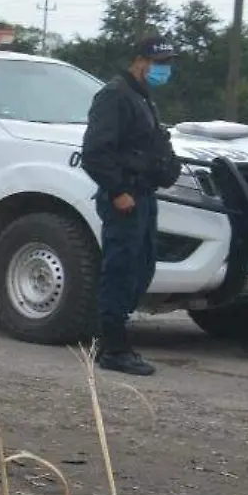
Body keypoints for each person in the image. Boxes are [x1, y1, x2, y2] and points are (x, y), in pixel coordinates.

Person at [78, 36, 181, 377]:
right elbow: (95, 152)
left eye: (169, 62)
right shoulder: (115, 95)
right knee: (121, 270)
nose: (165, 69)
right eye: (160, 62)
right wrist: (119, 191)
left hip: (143, 195)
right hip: (124, 198)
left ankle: (113, 338)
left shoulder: (141, 97)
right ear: (141, 61)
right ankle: (113, 347)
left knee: (141, 268)